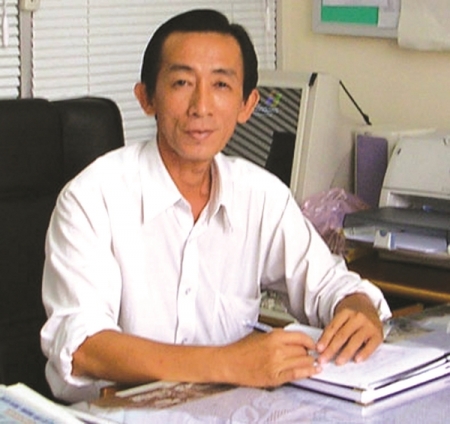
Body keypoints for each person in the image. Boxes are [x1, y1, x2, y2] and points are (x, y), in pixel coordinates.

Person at [40, 9, 391, 403]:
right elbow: (84, 347)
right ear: (146, 98)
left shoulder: (260, 196)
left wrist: (358, 309)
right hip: (112, 413)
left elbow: (329, 285)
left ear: (247, 105)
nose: (201, 106)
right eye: (181, 82)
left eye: (221, 84)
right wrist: (230, 363)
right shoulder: (91, 199)